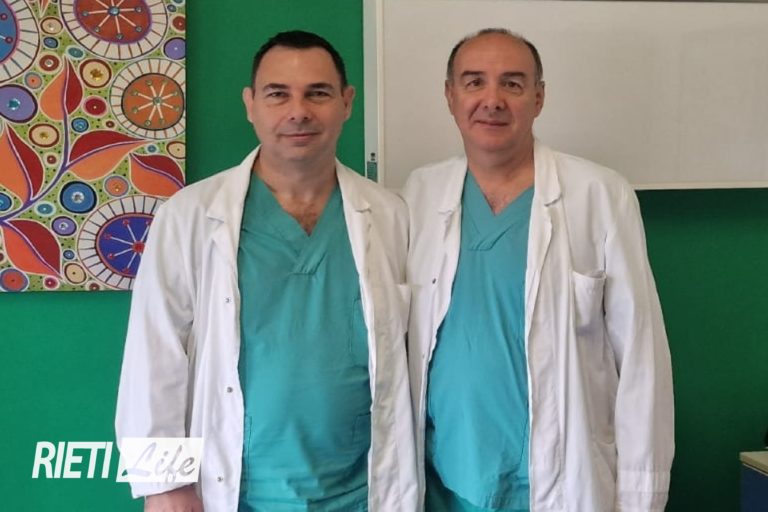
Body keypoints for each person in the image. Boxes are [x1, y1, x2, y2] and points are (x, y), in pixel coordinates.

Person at [115, 30, 417, 512]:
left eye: (318, 93)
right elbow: (155, 352)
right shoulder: (190, 215)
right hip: (236, 491)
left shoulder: (391, 215)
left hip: (365, 490)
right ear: (250, 104)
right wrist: (164, 484)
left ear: (346, 102)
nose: (298, 111)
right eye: (278, 94)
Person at [402, 29, 674, 512]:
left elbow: (641, 358)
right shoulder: (419, 194)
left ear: (539, 97)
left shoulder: (598, 193)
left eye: (512, 83)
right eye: (474, 82)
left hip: (561, 481)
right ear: (450, 96)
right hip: (444, 478)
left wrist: (641, 497)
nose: (492, 100)